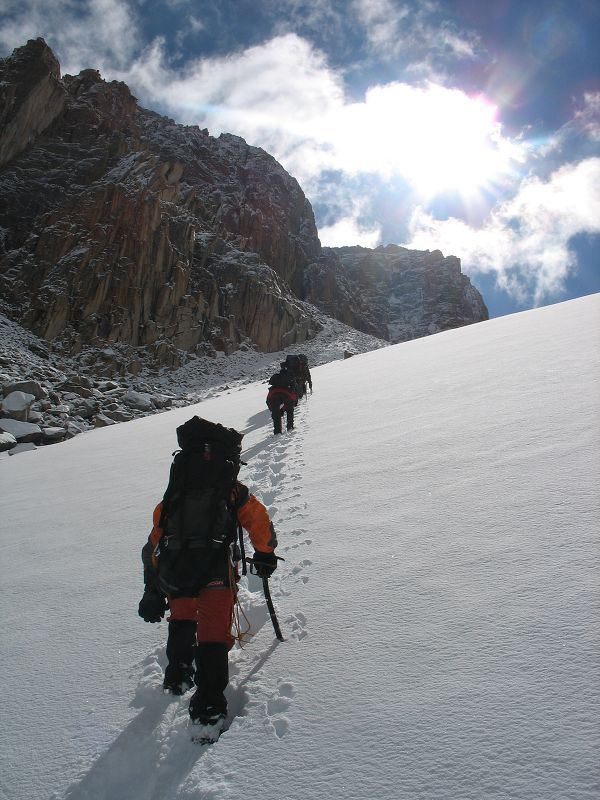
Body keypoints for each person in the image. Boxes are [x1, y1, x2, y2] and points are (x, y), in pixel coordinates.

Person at [138, 416, 279, 739]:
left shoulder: (173, 497)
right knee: (214, 634)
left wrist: (151, 588)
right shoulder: (233, 492)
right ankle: (208, 710)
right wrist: (266, 555)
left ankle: (177, 674)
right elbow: (259, 525)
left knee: (182, 616)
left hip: (176, 568)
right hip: (216, 568)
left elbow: (153, 544)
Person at [266, 363, 297, 434]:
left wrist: (273, 410)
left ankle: (277, 432)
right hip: (286, 395)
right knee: (289, 411)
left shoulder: (276, 379)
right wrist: (294, 403)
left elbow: (268, 401)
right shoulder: (290, 379)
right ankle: (290, 427)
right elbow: (293, 394)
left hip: (274, 396)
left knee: (276, 414)